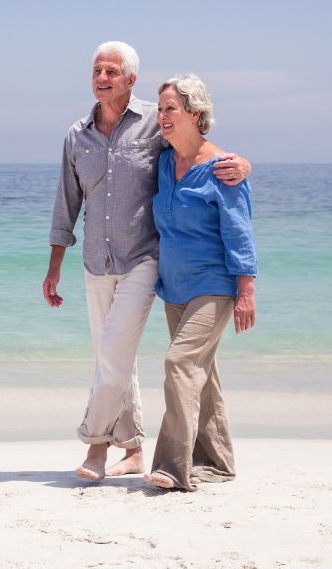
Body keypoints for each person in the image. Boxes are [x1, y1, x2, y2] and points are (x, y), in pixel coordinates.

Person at [44, 42, 250, 482]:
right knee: (113, 358)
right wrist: (55, 264)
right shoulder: (76, 135)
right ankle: (136, 450)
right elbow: (67, 202)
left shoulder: (155, 124)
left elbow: (199, 147)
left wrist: (243, 164)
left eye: (111, 71)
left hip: (145, 259)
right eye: (96, 70)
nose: (102, 78)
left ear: (129, 78)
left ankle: (98, 445)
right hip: (97, 260)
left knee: (118, 352)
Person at [142, 74, 256, 491]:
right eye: (160, 109)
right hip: (174, 285)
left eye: (171, 108)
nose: (162, 116)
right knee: (200, 375)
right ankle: (218, 462)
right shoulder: (165, 160)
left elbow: (240, 232)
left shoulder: (222, 168)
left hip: (214, 285)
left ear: (196, 113)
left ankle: (173, 466)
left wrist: (246, 290)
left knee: (180, 364)